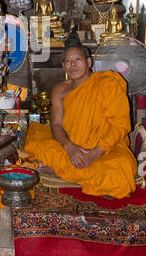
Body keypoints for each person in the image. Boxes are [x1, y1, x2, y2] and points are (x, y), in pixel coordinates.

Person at [24, 41, 137, 199]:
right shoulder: (60, 90)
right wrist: (70, 147)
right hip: (72, 144)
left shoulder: (107, 83)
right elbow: (56, 125)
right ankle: (71, 168)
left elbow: (120, 125)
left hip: (106, 147)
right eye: (68, 61)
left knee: (121, 168)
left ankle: (60, 169)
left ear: (89, 62)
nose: (73, 65)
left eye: (78, 59)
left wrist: (96, 153)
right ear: (64, 66)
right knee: (39, 145)